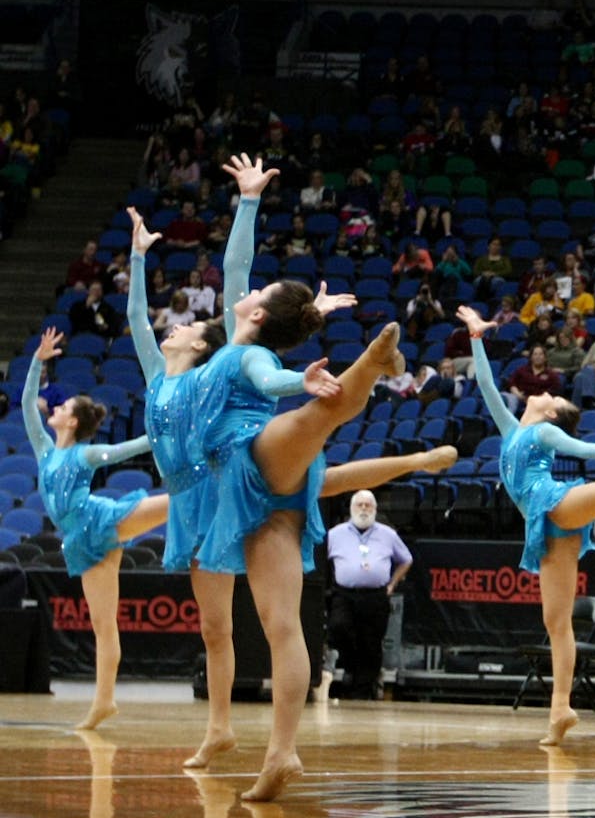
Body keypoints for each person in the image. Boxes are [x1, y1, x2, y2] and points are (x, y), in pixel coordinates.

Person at [126, 179, 458, 777]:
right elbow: (237, 275)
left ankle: (372, 364)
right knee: (271, 624)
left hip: (252, 456)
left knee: (316, 414)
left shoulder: (243, 350)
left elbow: (254, 324)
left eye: (256, 293)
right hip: (223, 489)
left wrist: (250, 204)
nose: (245, 288)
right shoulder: (211, 354)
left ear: (252, 312)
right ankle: (272, 749)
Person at [459, 304, 595, 745]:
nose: (543, 391)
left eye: (552, 396)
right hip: (547, 527)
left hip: (555, 502)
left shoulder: (544, 432)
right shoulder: (511, 428)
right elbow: (485, 385)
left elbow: (581, 446)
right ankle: (560, 709)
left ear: (551, 412)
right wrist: (477, 338)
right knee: (556, 621)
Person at [23, 329, 167, 730]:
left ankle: (221, 489)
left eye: (63, 405)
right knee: (103, 624)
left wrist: (159, 434)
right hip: (83, 542)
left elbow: (128, 449)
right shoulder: (45, 450)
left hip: (100, 519)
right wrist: (38, 360)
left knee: (176, 501)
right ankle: (103, 702)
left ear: (72, 419)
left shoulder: (86, 453)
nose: (54, 407)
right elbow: (25, 406)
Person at [326, 490, 412, 700]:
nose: (364, 509)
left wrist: (392, 583)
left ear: (375, 509)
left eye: (368, 505)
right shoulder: (335, 534)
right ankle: (349, 668)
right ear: (351, 509)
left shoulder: (387, 534)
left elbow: (406, 559)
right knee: (339, 628)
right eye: (360, 505)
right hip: (344, 594)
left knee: (371, 642)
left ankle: (362, 690)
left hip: (375, 595)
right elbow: (321, 559)